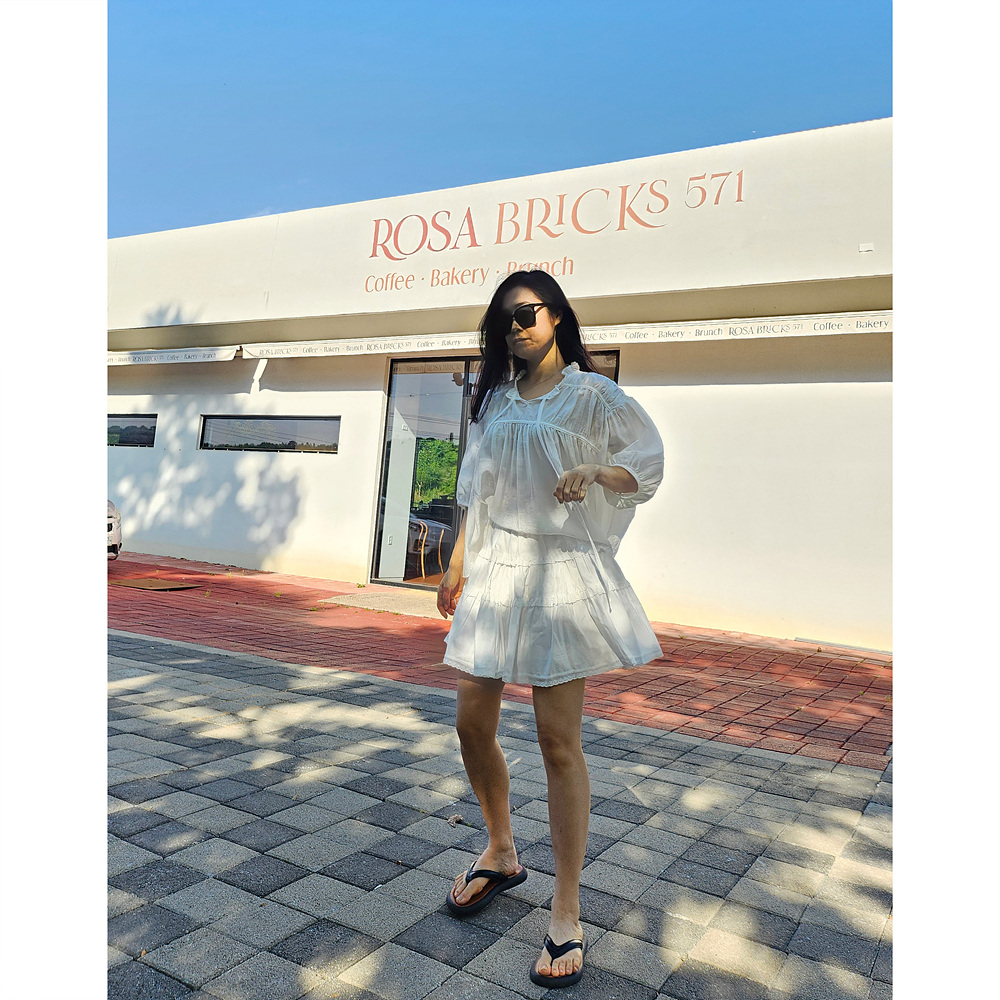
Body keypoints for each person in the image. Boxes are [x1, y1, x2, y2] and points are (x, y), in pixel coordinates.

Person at [436, 269, 664, 988]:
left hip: (558, 575)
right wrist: (455, 563)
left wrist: (595, 469)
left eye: (527, 314)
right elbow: (477, 488)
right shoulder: (498, 399)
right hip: (495, 572)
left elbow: (647, 464)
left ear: (557, 316)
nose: (516, 328)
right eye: (504, 320)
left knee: (557, 741)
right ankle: (501, 849)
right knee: (471, 724)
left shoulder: (592, 395)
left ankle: (567, 909)